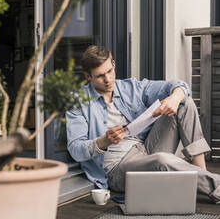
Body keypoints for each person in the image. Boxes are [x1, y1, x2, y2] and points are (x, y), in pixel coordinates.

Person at [66, 45, 220, 204]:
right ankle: (216, 187)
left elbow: (179, 85)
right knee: (162, 160)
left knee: (183, 102)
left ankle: (201, 170)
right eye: (100, 76)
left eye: (109, 71)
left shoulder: (130, 88)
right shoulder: (78, 102)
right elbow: (76, 150)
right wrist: (104, 141)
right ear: (88, 76)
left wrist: (174, 98)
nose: (108, 80)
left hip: (146, 148)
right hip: (118, 167)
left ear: (113, 64)